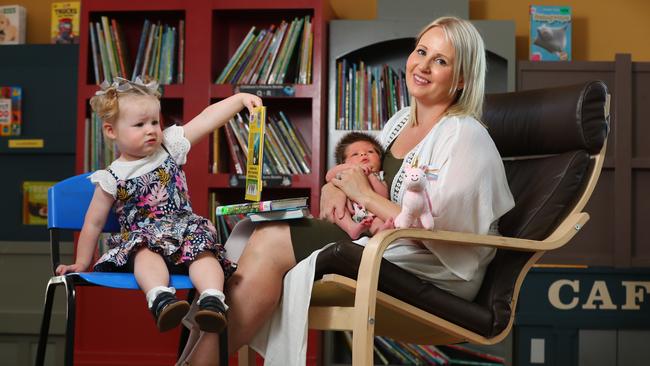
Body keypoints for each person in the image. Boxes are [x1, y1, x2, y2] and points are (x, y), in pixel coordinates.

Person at [181, 16, 514, 365]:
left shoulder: (465, 135)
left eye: (441, 61)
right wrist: (334, 187)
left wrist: (366, 196)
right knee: (250, 237)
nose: (424, 66)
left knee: (270, 240)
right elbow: (360, 173)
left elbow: (443, 236)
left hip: (432, 266)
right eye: (421, 52)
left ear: (461, 78)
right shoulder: (398, 121)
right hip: (376, 239)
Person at [55, 77, 262, 334]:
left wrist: (240, 99)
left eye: (155, 121)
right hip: (143, 237)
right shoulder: (111, 178)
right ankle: (161, 298)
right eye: (140, 124)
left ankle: (212, 300)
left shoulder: (169, 147)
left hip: (183, 232)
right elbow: (93, 222)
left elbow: (207, 119)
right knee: (143, 254)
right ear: (111, 131)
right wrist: (82, 261)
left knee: (203, 253)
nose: (151, 129)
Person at [325, 132, 390, 239]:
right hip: (350, 212)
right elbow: (328, 176)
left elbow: (383, 196)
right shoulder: (345, 173)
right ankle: (351, 228)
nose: (363, 155)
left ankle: (380, 232)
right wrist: (353, 168)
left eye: (370, 152)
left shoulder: (379, 176)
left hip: (373, 214)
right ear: (344, 162)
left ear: (379, 159)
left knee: (378, 220)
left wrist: (370, 176)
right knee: (339, 210)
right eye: (355, 154)